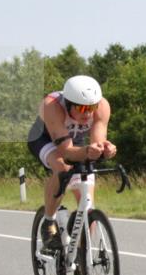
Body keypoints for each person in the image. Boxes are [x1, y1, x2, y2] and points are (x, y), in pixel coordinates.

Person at [27, 75, 116, 252]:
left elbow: (97, 141)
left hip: (76, 143)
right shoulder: (51, 106)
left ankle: (83, 258)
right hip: (45, 140)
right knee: (63, 167)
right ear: (68, 103)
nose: (88, 113)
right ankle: (49, 221)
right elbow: (65, 151)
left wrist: (105, 149)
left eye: (92, 108)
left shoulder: (103, 106)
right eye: (82, 108)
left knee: (88, 205)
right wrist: (87, 152)